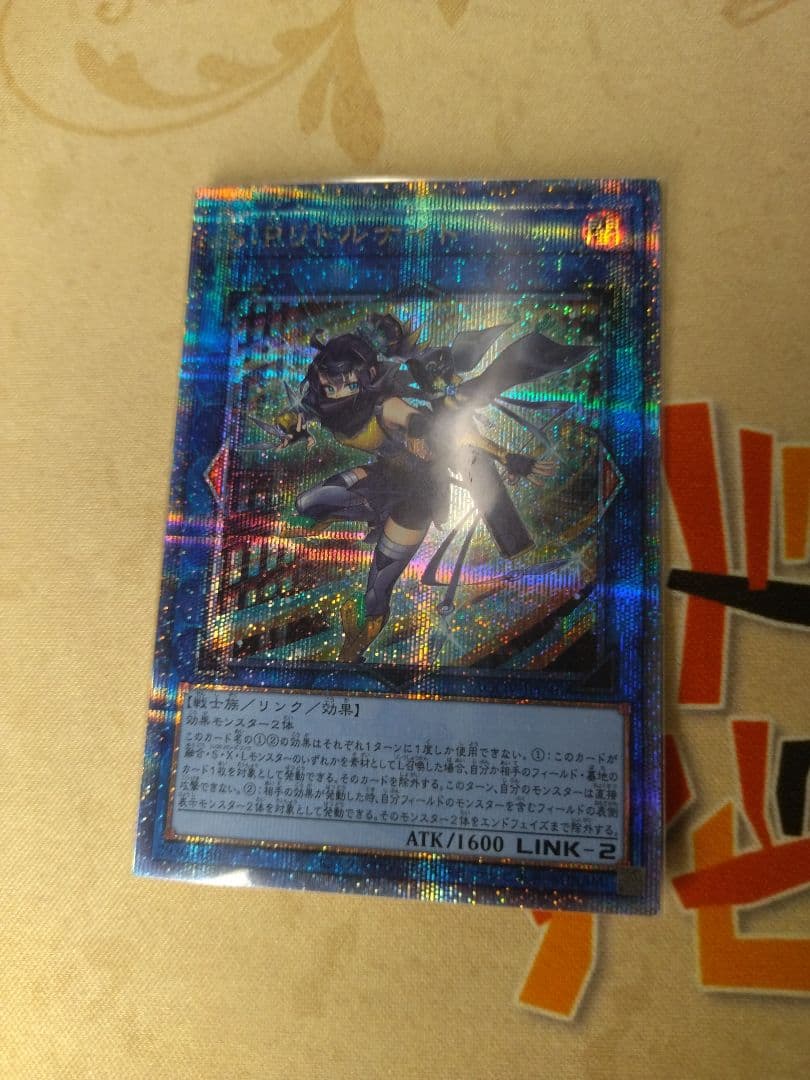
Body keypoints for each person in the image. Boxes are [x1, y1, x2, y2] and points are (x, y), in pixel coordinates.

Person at [272, 314, 590, 662]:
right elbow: (301, 413)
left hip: (417, 499)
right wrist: (291, 426)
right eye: (328, 385)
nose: (333, 392)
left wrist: (506, 455)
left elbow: (447, 432)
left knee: (376, 592)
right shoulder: (323, 401)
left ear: (367, 377)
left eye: (343, 384)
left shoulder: (387, 407)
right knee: (306, 505)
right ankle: (339, 516)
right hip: (382, 479)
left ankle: (355, 646)